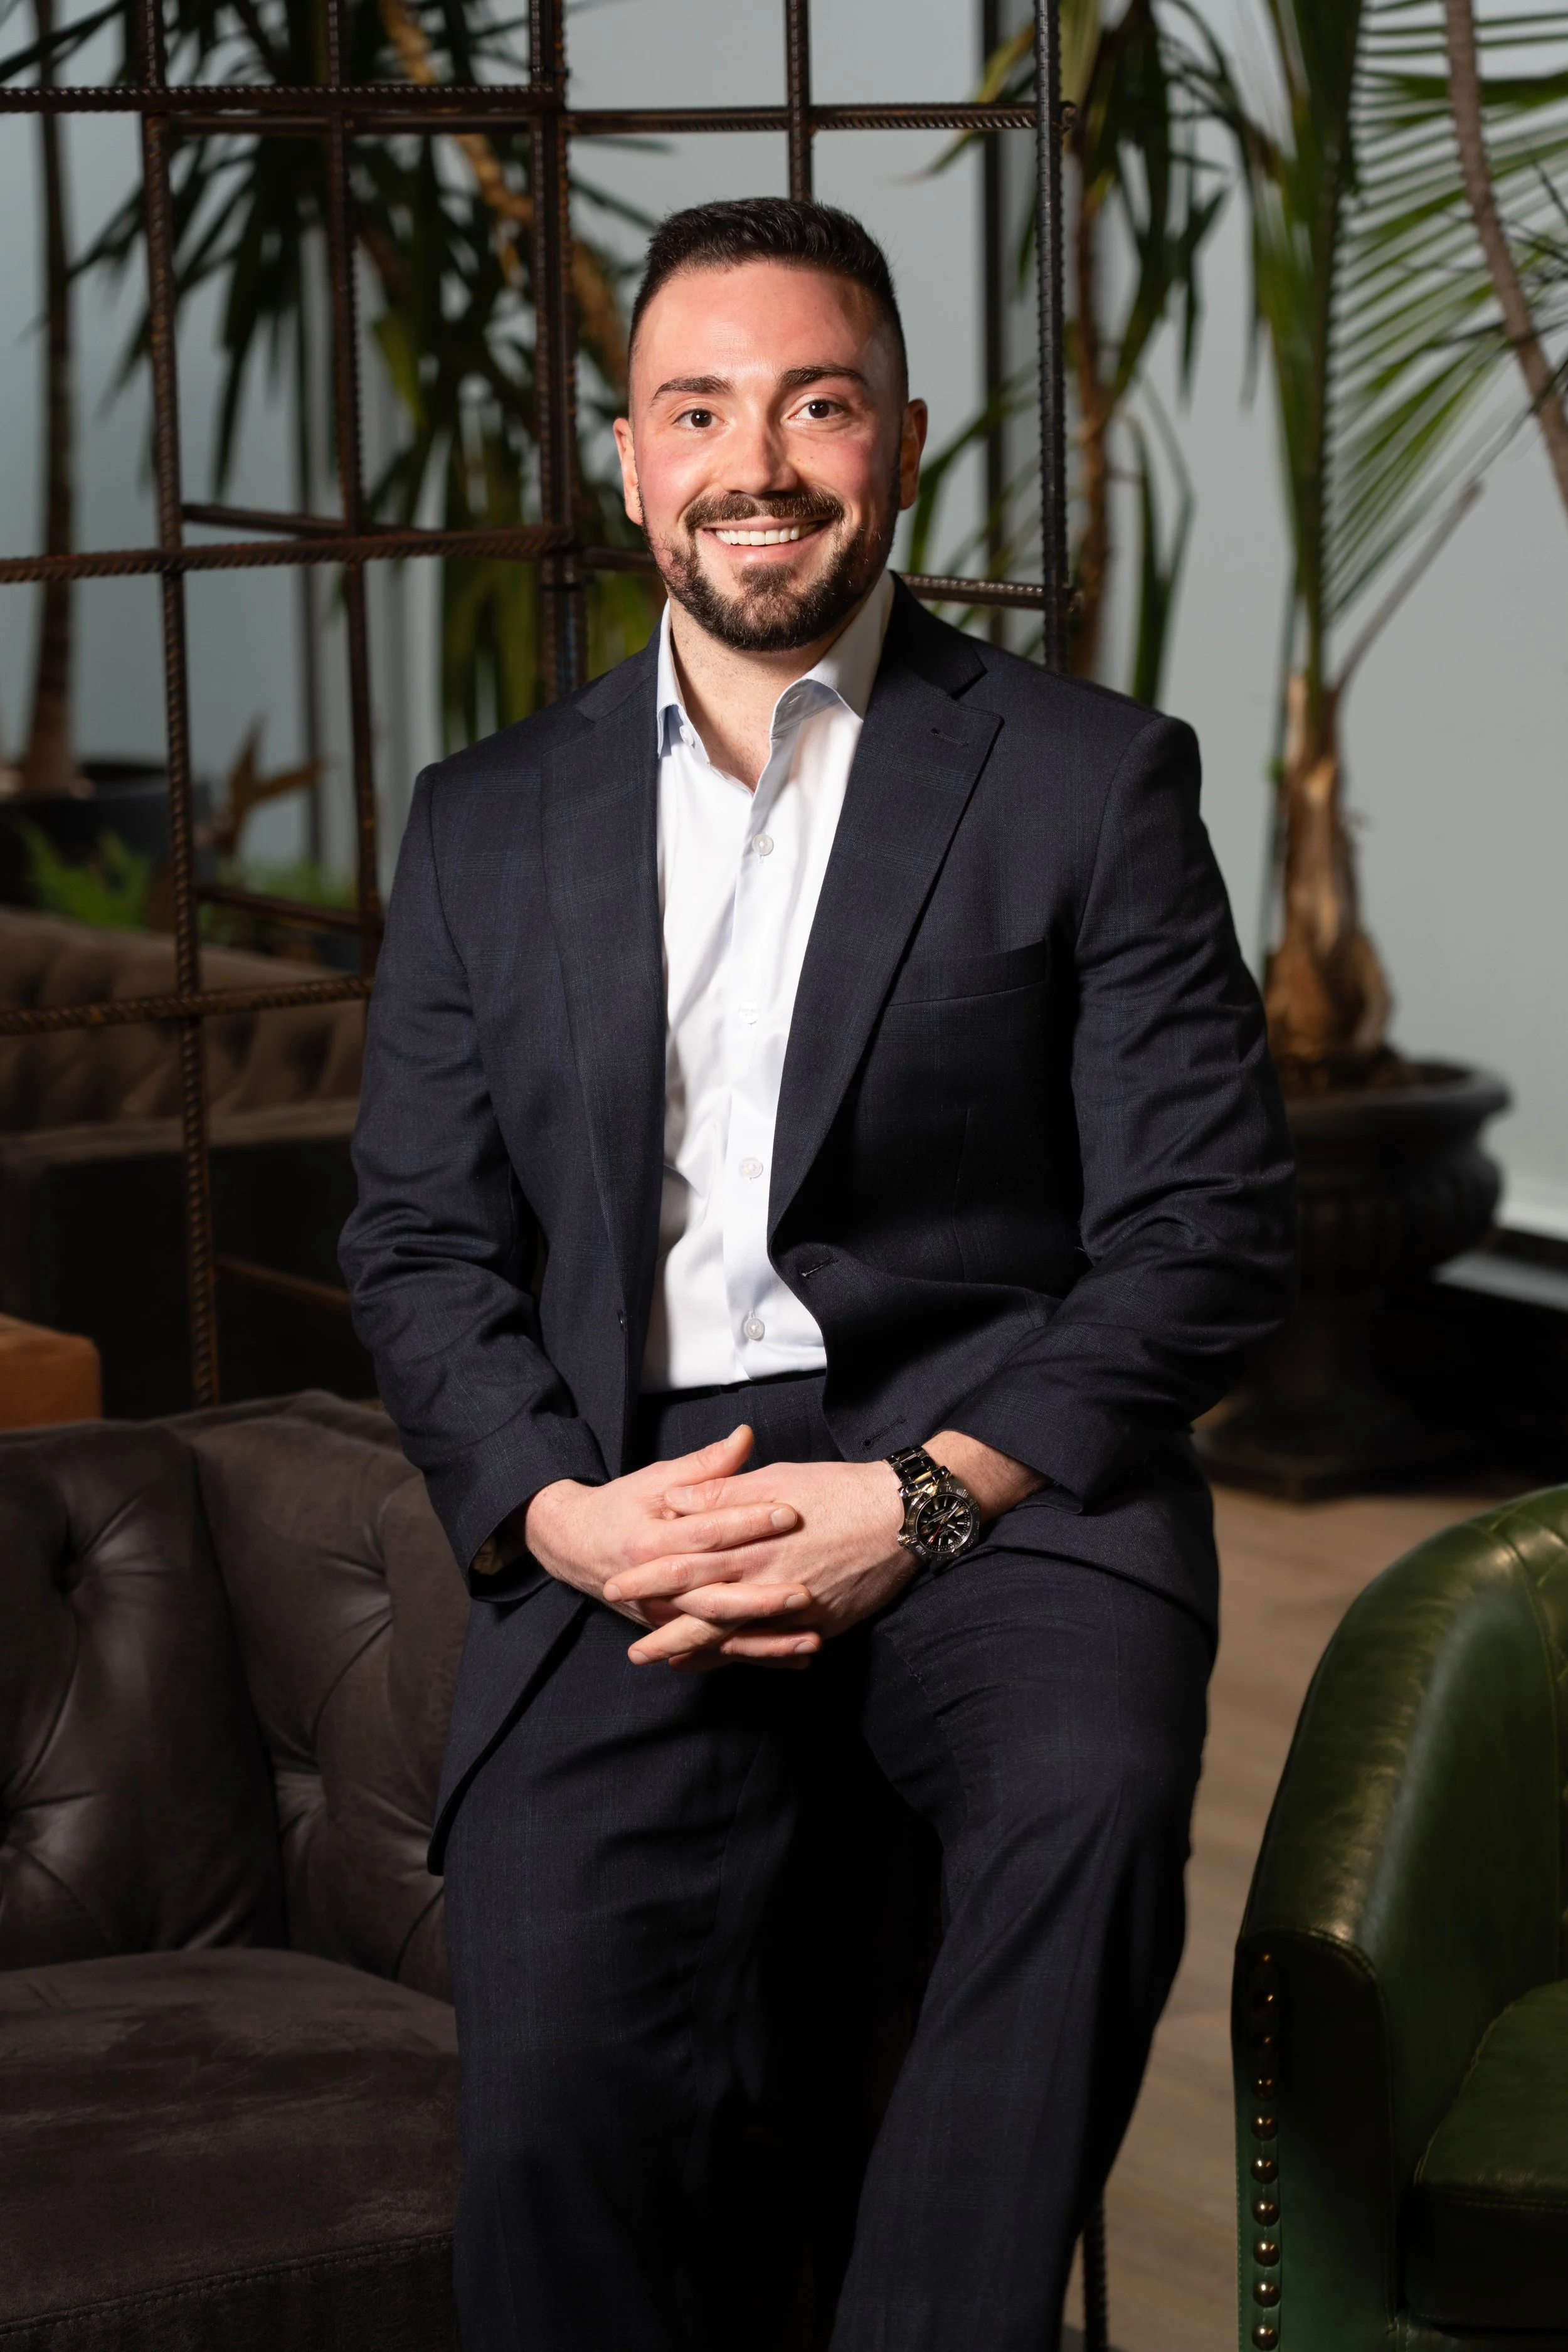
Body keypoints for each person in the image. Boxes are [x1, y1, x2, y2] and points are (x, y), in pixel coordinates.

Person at [341, 196, 1296, 2352]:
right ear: (628, 463)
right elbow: (416, 1236)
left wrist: (924, 1497)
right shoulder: (485, 820)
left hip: (994, 1462)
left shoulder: (1085, 779)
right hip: (638, 1489)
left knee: (1082, 1807)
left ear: (903, 442)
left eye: (815, 403)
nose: (754, 462)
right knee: (554, 2109)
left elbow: (1209, 1223)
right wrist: (560, 1513)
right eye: (697, 410)